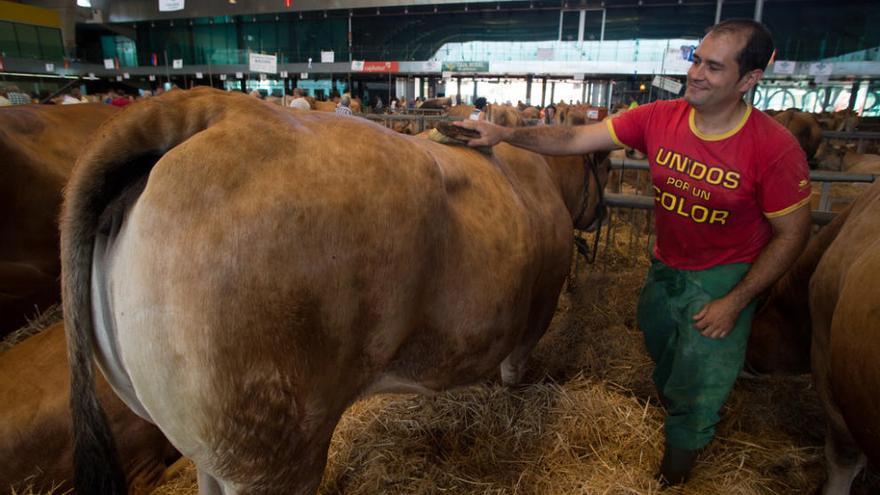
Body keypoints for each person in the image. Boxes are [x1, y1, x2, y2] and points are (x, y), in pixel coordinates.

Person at [455, 19, 811, 487]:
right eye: (696, 60)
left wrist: (736, 301)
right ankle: (678, 404)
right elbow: (575, 139)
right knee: (659, 342)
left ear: (748, 80)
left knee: (697, 382)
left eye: (714, 67)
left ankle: (676, 472)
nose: (697, 73)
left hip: (725, 277)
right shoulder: (660, 117)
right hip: (665, 268)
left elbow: (792, 235)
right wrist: (504, 135)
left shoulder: (774, 149)